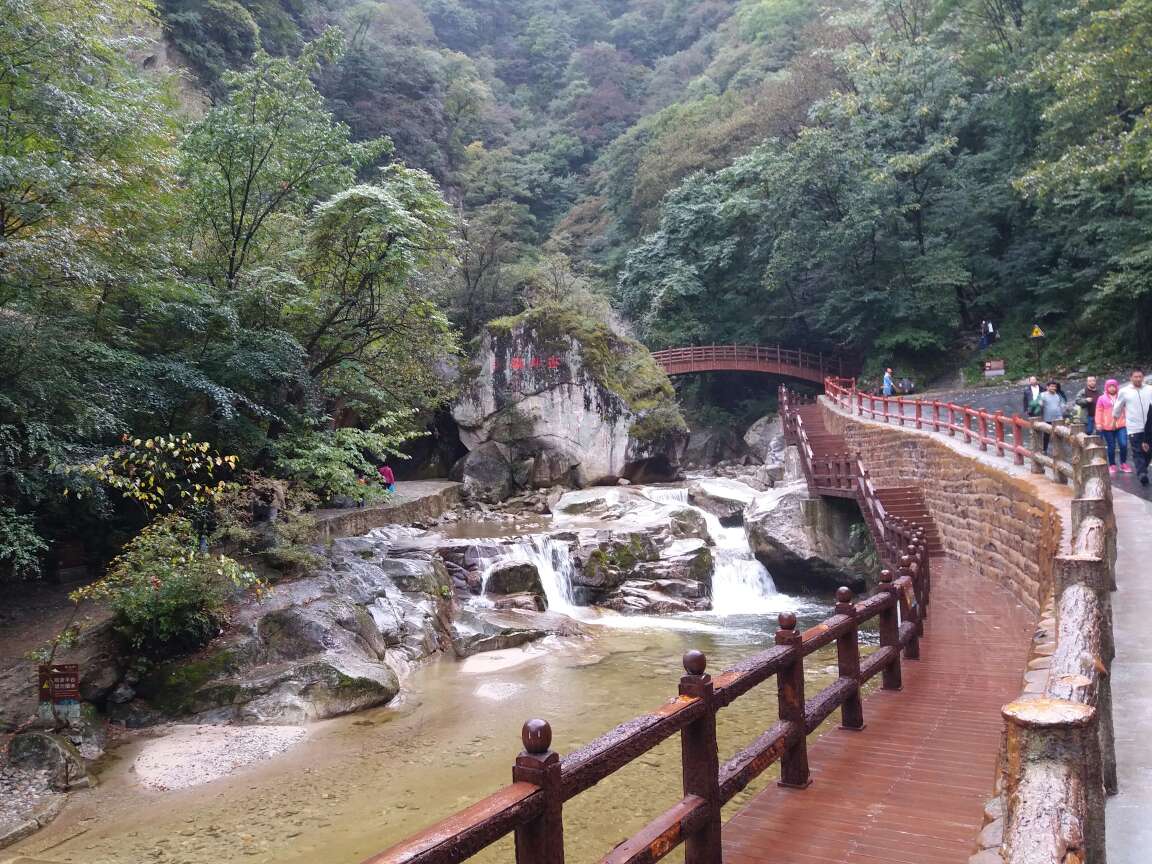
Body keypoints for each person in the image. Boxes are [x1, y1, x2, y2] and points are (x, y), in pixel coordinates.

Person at [1114, 370, 1152, 484]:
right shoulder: (1124, 391)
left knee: (1149, 451)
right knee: (1137, 451)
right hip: (1134, 426)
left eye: (1140, 377)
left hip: (1149, 426)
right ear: (1131, 378)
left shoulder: (1149, 389)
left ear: (1143, 377)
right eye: (1135, 377)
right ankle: (1142, 473)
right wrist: (1114, 418)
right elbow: (1118, 406)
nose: (1138, 379)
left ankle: (1142, 469)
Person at [1095, 379, 1128, 474]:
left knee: (1123, 444)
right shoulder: (1101, 398)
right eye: (1110, 386)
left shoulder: (1121, 396)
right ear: (1106, 387)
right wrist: (1098, 423)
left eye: (1114, 386)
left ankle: (1123, 463)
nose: (1112, 388)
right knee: (1111, 446)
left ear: (1117, 387)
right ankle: (1112, 464)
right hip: (1107, 426)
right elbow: (1099, 411)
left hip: (1121, 424)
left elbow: (1127, 408)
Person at [1039, 381, 1066, 453]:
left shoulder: (1058, 395)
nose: (1053, 388)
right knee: (1046, 435)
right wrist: (1040, 404)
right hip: (1047, 418)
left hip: (1058, 418)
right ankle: (1044, 449)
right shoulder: (1043, 395)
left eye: (1055, 387)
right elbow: (1039, 403)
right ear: (1047, 387)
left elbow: (1062, 405)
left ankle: (1058, 450)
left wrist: (1064, 409)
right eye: (1052, 386)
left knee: (1059, 434)